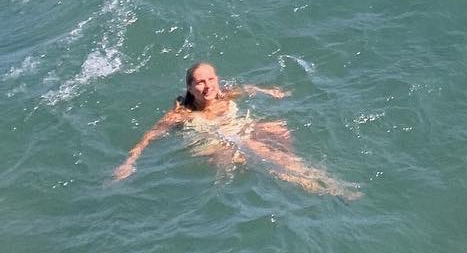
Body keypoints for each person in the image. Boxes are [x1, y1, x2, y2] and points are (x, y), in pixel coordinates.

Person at [113, 61, 358, 197]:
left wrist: (269, 92)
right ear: (190, 88)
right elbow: (149, 136)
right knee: (256, 149)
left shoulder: (225, 95)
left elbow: (248, 89)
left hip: (238, 132)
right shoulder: (182, 114)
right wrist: (129, 162)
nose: (208, 86)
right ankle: (320, 185)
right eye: (200, 82)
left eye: (211, 79)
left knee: (278, 128)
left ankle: (287, 165)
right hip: (214, 146)